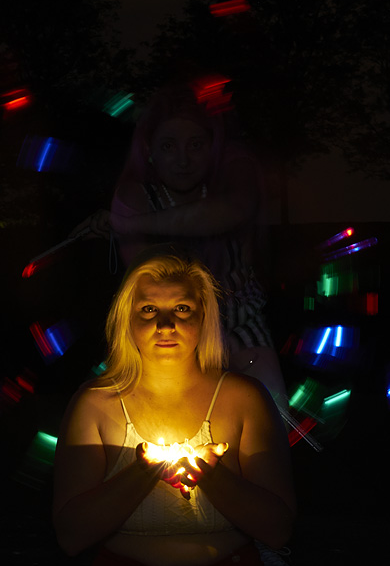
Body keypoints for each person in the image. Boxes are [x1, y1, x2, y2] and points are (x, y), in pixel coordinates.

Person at [53, 248, 296, 566]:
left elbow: (278, 529)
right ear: (127, 319)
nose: (165, 325)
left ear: (204, 316)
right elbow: (70, 536)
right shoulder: (94, 404)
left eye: (182, 308)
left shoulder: (245, 399)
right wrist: (143, 472)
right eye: (148, 309)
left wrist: (210, 475)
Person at [74, 79, 289, 405]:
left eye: (196, 145)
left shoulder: (231, 180)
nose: (183, 160)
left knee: (271, 412)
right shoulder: (135, 196)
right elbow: (147, 285)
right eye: (169, 146)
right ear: (149, 151)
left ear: (212, 147)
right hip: (170, 331)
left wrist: (126, 225)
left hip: (242, 325)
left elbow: (233, 210)